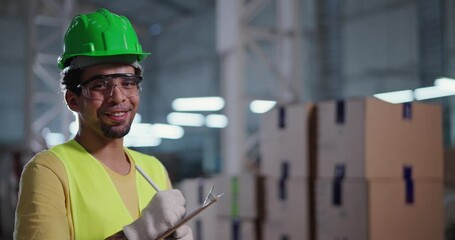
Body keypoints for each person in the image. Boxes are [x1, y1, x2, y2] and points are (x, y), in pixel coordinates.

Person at [14, 8, 193, 240]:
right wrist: (136, 233)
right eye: (100, 84)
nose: (118, 97)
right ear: (73, 100)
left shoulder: (154, 169)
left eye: (128, 82)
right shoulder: (50, 171)